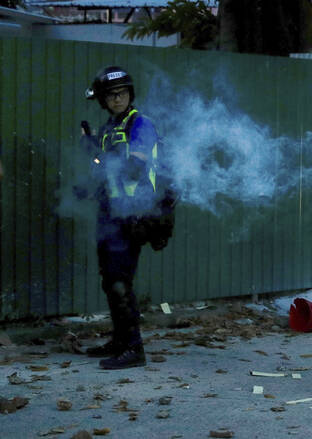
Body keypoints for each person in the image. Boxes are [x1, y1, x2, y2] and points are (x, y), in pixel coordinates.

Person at [82, 66, 174, 369]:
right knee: (110, 279)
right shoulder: (110, 128)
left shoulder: (141, 124)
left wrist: (101, 159)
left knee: (120, 280)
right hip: (112, 212)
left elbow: (134, 168)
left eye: (121, 93)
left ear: (130, 95)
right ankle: (121, 340)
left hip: (135, 212)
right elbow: (106, 172)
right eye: (111, 95)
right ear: (103, 101)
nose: (117, 99)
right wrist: (93, 151)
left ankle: (134, 348)